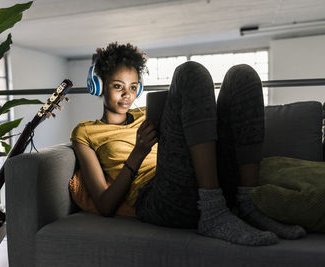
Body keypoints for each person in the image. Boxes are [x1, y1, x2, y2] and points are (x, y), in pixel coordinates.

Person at [70, 42, 306, 246]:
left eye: (133, 87)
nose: (127, 95)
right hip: (158, 199)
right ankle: (213, 213)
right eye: (118, 86)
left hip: (203, 177)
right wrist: (138, 152)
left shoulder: (146, 114)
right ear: (98, 85)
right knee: (189, 71)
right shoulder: (86, 132)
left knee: (242, 75)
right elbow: (104, 204)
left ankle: (250, 205)